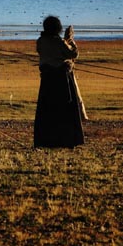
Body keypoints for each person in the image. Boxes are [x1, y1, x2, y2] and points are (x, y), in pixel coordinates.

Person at [33, 16, 85, 148]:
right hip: (61, 79)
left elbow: (42, 52)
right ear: (58, 28)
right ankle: (66, 140)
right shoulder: (58, 42)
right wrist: (70, 40)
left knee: (46, 109)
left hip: (47, 80)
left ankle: (45, 140)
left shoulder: (40, 41)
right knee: (64, 109)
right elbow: (73, 54)